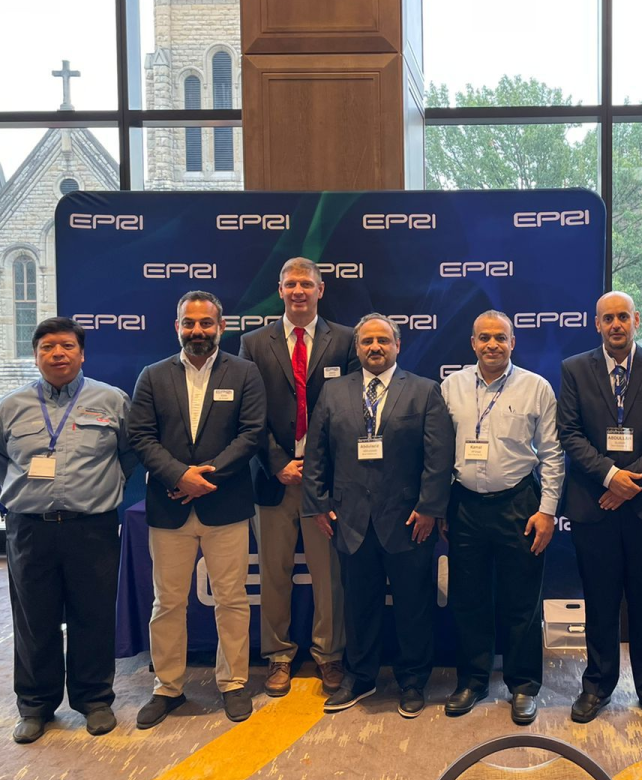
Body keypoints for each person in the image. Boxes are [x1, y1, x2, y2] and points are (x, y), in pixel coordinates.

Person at [0, 317, 136, 744]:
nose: (57, 354)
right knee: (34, 618)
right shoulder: (10, 406)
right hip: (30, 529)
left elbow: (128, 454)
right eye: (47, 347)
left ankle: (94, 700)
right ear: (35, 356)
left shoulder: (112, 401)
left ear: (82, 354)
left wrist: (101, 488)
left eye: (67, 346)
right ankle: (35, 706)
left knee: (94, 615)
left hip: (92, 527)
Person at [302, 313, 453, 718]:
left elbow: (438, 457)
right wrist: (318, 504)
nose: (375, 347)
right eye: (367, 341)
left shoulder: (423, 391)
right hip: (349, 519)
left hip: (408, 520)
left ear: (397, 346)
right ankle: (360, 677)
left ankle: (413, 681)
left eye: (383, 341)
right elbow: (316, 454)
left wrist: (429, 507)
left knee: (413, 606)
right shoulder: (334, 391)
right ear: (357, 348)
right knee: (358, 606)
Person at [128, 291, 266, 729]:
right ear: (177, 327)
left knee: (232, 599)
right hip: (169, 506)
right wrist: (179, 476)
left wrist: (206, 477)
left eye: (206, 323)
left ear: (221, 327)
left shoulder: (244, 372)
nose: (197, 331)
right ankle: (168, 686)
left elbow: (251, 433)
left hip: (225, 505)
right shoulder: (152, 376)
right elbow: (141, 436)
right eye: (189, 323)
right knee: (167, 602)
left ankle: (233, 682)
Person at [556, 291, 642, 727]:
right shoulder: (575, 369)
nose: (616, 324)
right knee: (600, 600)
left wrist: (630, 483)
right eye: (608, 318)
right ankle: (597, 685)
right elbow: (570, 433)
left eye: (623, 317)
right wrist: (611, 477)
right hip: (595, 504)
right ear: (597, 324)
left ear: (636, 320)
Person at [440, 310, 564, 725]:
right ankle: (473, 681)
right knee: (468, 598)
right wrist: (441, 506)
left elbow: (552, 454)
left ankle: (523, 685)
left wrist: (547, 510)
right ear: (472, 343)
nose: (492, 344)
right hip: (464, 504)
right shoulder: (451, 387)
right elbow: (438, 452)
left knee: (521, 600)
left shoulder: (536, 387)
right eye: (484, 337)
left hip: (519, 504)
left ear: (513, 342)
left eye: (500, 337)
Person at [240, 257, 357, 697]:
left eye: (306, 283)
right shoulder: (254, 343)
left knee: (329, 575)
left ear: (320, 290)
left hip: (325, 481)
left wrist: (317, 466)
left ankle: (329, 654)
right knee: (274, 572)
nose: (298, 291)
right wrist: (278, 463)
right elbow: (249, 415)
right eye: (290, 284)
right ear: (280, 290)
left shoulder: (345, 340)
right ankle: (278, 655)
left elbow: (350, 411)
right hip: (274, 480)